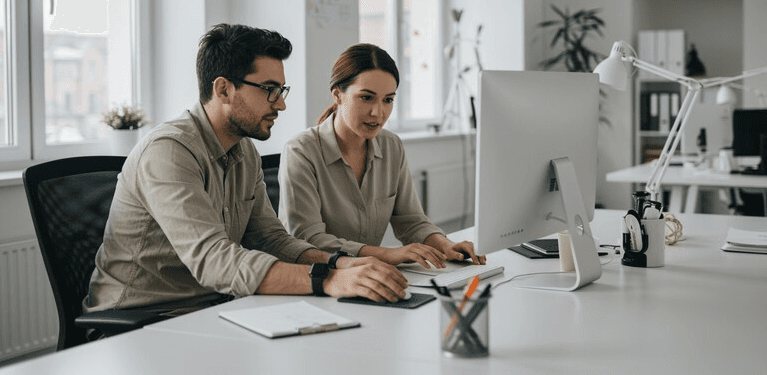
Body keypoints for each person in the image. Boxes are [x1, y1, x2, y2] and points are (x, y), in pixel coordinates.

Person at [83, 25, 408, 315]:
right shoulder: (168, 153)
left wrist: (339, 262)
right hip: (144, 319)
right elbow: (215, 261)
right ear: (224, 89)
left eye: (281, 91)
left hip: (214, 306)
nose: (280, 104)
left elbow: (271, 239)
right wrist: (330, 280)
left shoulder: (243, 151)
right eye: (269, 89)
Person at [278, 43, 486, 269]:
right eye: (366, 98)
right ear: (338, 95)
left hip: (367, 278)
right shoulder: (301, 151)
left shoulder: (391, 146)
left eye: (388, 100)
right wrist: (389, 255)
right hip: (312, 280)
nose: (378, 113)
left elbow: (412, 221)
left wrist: (444, 245)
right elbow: (308, 239)